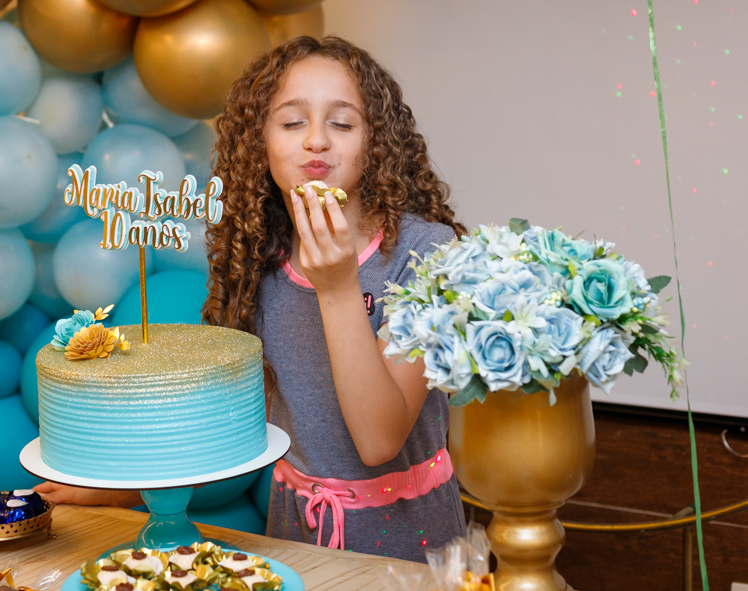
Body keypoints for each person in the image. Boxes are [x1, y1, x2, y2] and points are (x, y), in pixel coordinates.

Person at [36, 35, 467, 562]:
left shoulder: (428, 254)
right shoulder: (256, 263)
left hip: (410, 550)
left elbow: (379, 441)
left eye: (342, 122)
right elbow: (236, 437)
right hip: (296, 540)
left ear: (377, 141)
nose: (316, 141)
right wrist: (122, 492)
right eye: (291, 122)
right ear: (258, 141)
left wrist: (336, 287)